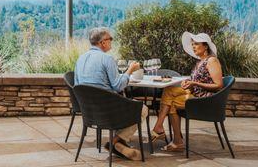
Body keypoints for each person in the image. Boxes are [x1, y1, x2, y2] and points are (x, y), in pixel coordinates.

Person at [74, 27, 146, 161]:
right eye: (110, 39)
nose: (111, 42)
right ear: (102, 42)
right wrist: (130, 70)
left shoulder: (80, 59)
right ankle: (116, 141)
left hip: (89, 112)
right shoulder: (107, 59)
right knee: (142, 109)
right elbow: (118, 85)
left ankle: (119, 143)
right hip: (109, 112)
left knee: (128, 104)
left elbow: (78, 85)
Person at [150, 32, 224, 151]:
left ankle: (173, 138)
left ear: (205, 46)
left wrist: (194, 83)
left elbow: (219, 85)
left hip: (205, 99)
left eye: (196, 44)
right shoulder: (200, 62)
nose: (194, 46)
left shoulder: (212, 61)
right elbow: (198, 81)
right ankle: (160, 128)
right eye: (192, 44)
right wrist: (189, 82)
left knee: (172, 104)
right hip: (195, 94)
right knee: (169, 89)